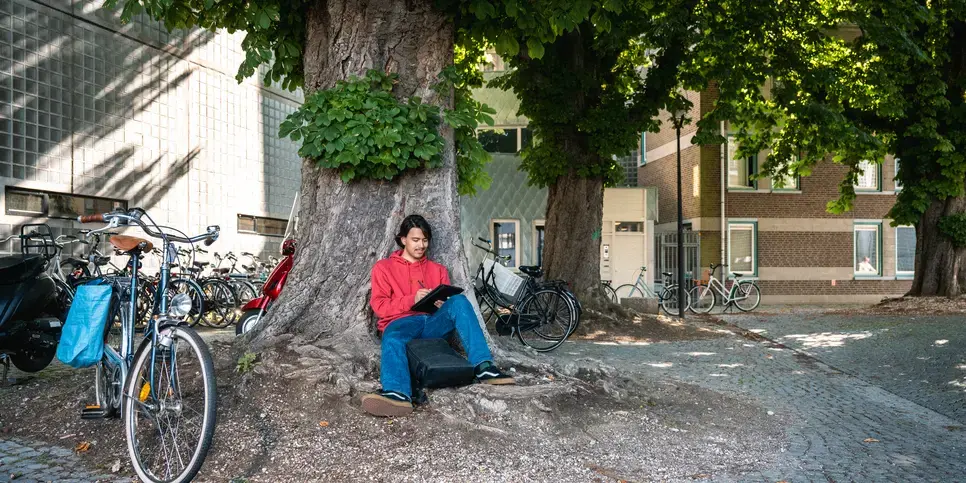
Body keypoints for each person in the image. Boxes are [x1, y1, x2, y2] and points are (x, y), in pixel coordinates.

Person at [362, 214, 514, 417]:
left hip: (433, 324)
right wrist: (412, 299)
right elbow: (380, 306)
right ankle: (398, 394)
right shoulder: (384, 268)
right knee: (392, 336)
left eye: (425, 240)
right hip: (401, 324)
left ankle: (484, 366)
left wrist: (441, 304)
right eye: (415, 240)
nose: (421, 245)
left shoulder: (438, 270)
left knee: (458, 301)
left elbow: (447, 303)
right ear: (403, 239)